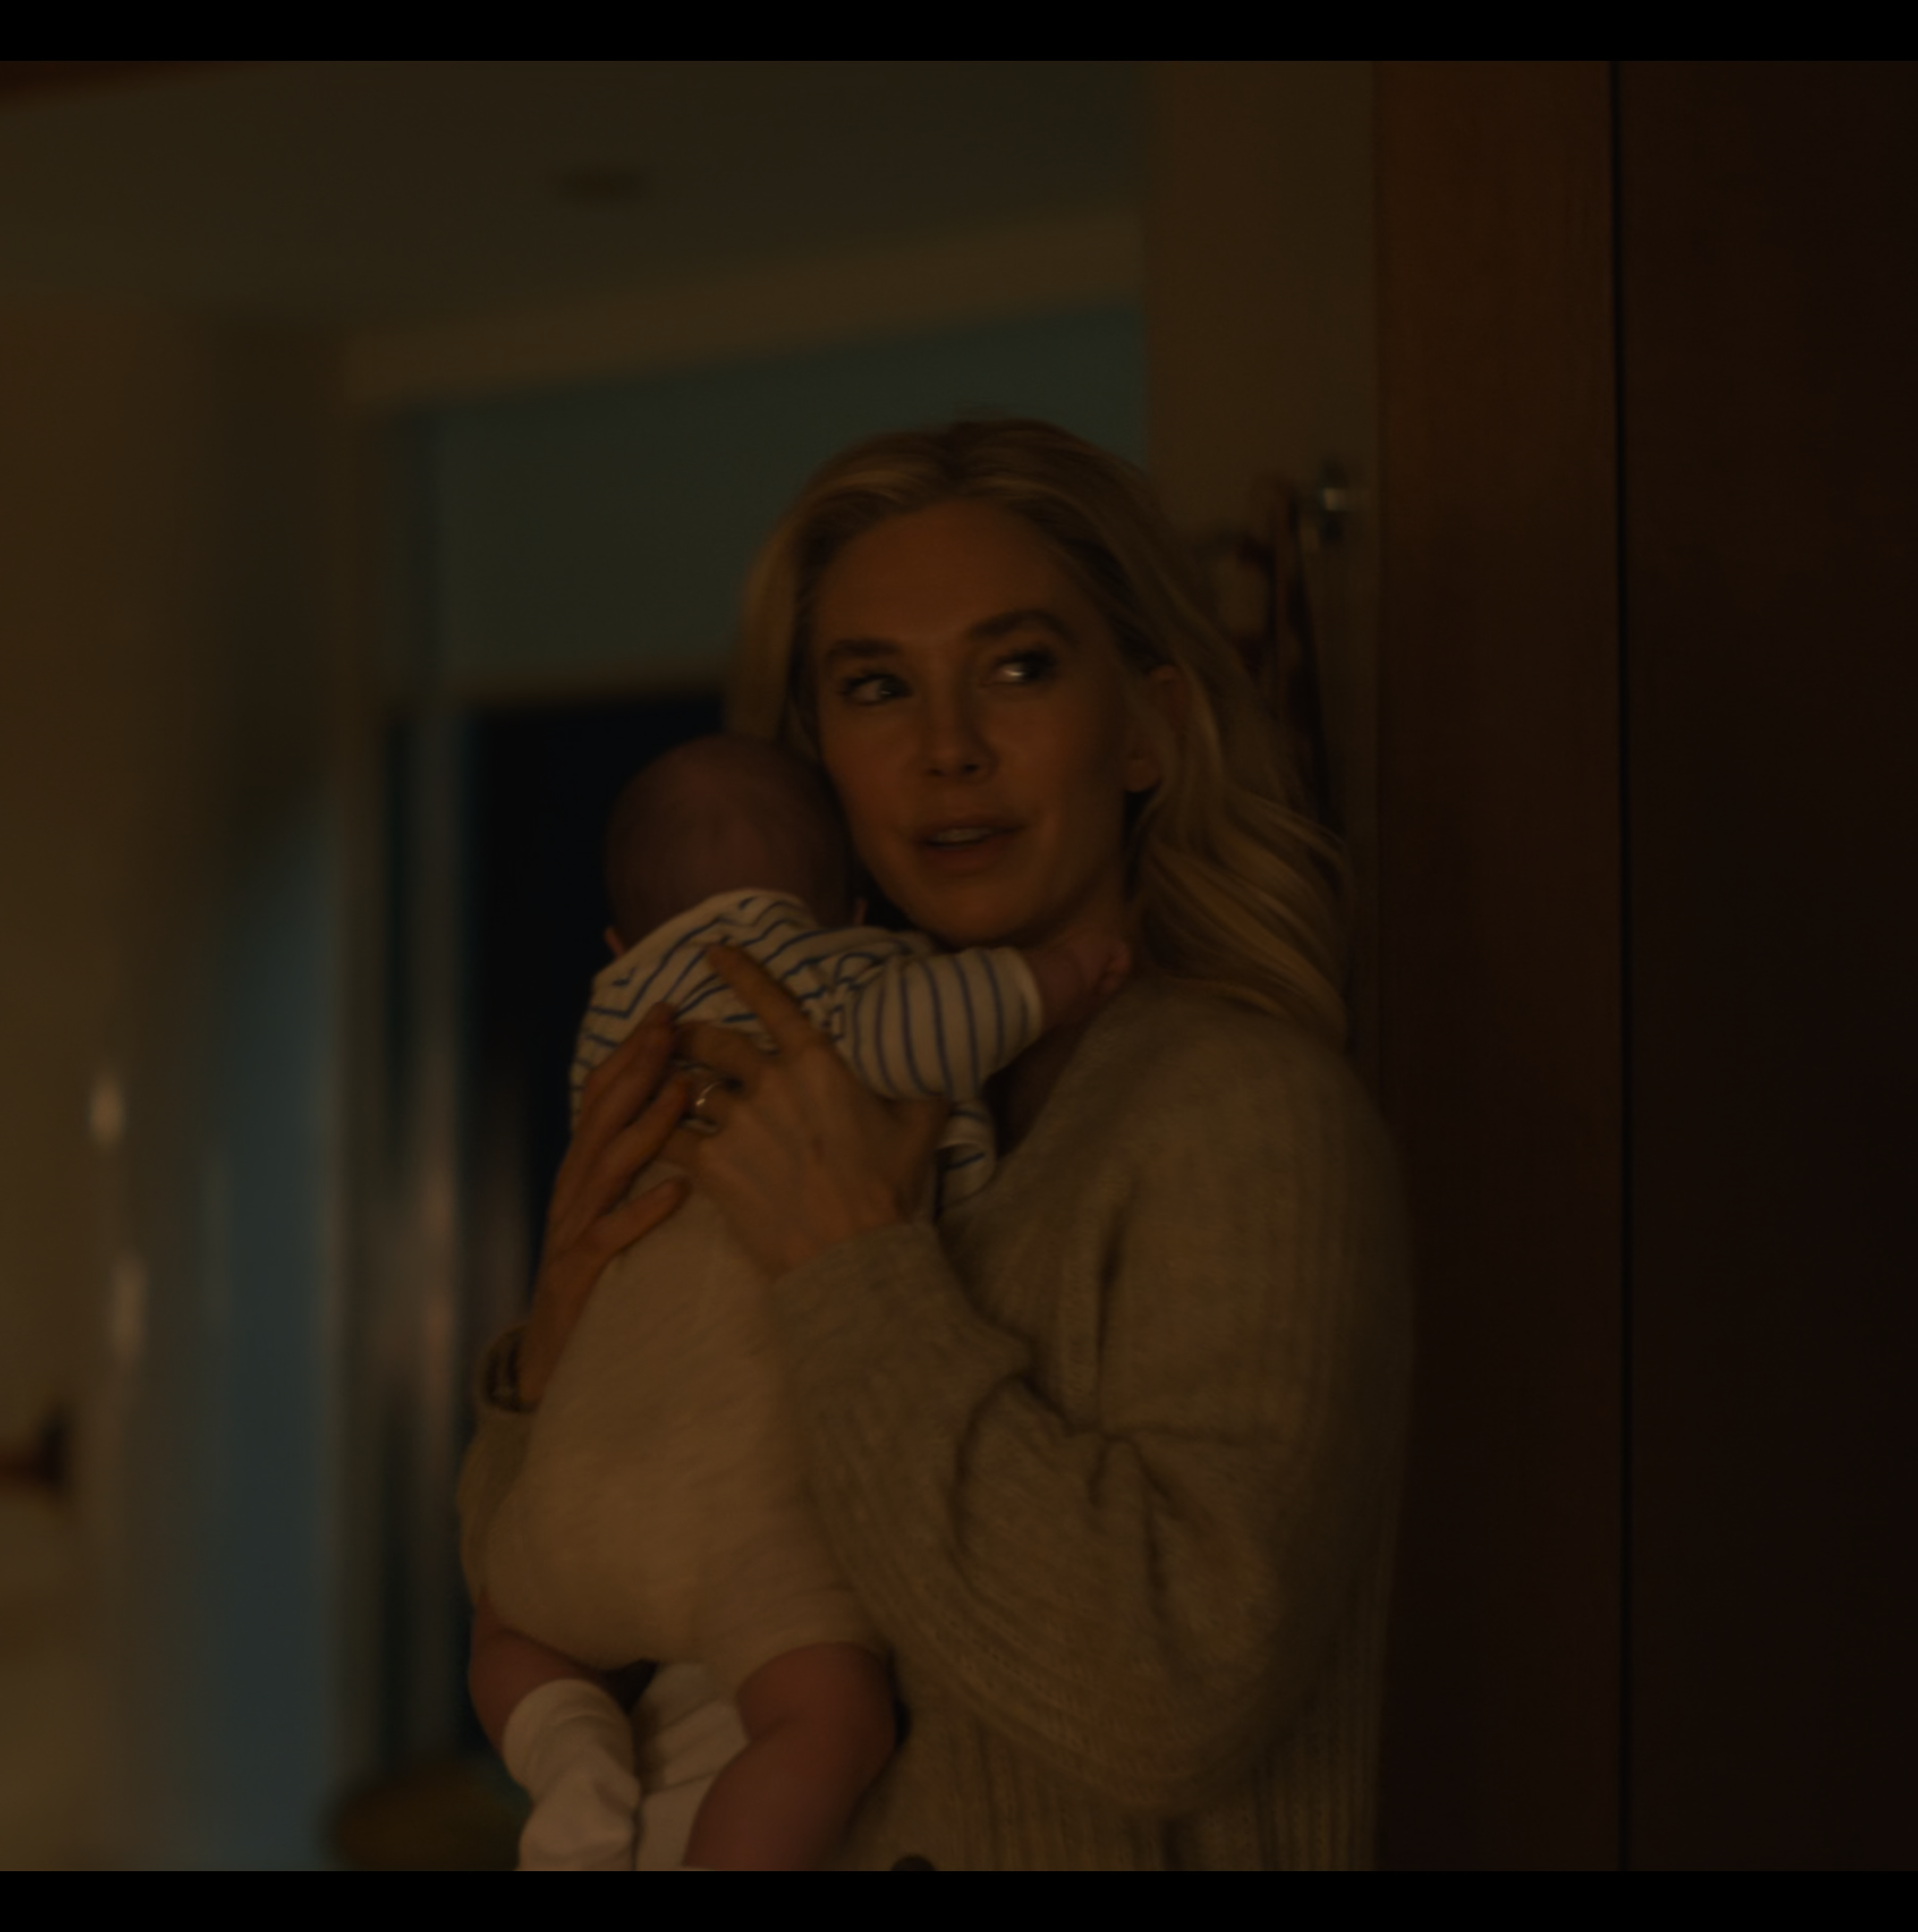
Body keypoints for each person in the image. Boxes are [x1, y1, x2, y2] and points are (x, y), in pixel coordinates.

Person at [457, 419, 1408, 1869]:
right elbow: (567, 1584)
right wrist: (555, 1350)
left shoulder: (1244, 1111)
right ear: (819, 762)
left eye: (1018, 668)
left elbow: (1172, 1696)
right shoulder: (777, 1083)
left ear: (1146, 729)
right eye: (877, 688)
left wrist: (851, 1269)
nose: (947, 749)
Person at [461, 733, 1126, 1869]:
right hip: (748, 1513)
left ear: (619, 945)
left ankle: (569, 1757)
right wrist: (1060, 977)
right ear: (850, 912)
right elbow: (935, 1025)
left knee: (511, 1630)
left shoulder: (615, 1030)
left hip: (581, 1478)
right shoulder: (835, 989)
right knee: (825, 1725)